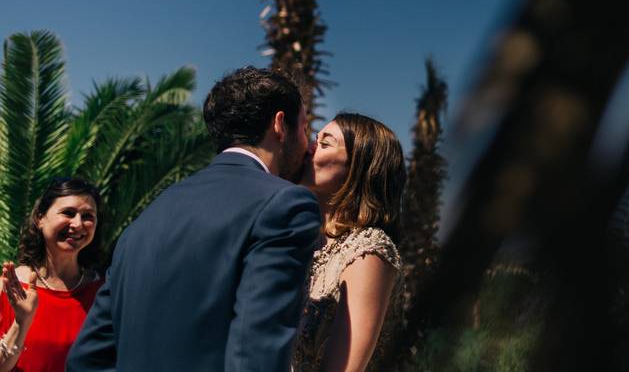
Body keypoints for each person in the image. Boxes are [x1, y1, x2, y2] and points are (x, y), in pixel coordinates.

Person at [67, 67, 323, 371]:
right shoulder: (285, 204)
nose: (310, 145)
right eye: (306, 127)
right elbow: (255, 356)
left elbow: (86, 360)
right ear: (280, 125)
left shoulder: (146, 219)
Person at [292, 112, 406, 372]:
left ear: (357, 168)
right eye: (315, 138)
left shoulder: (369, 252)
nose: (309, 148)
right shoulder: (307, 240)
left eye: (325, 143)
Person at [0, 178, 103, 372]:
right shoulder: (7, 287)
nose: (78, 224)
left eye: (88, 216)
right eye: (68, 213)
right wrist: (22, 322)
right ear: (40, 218)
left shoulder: (103, 292)